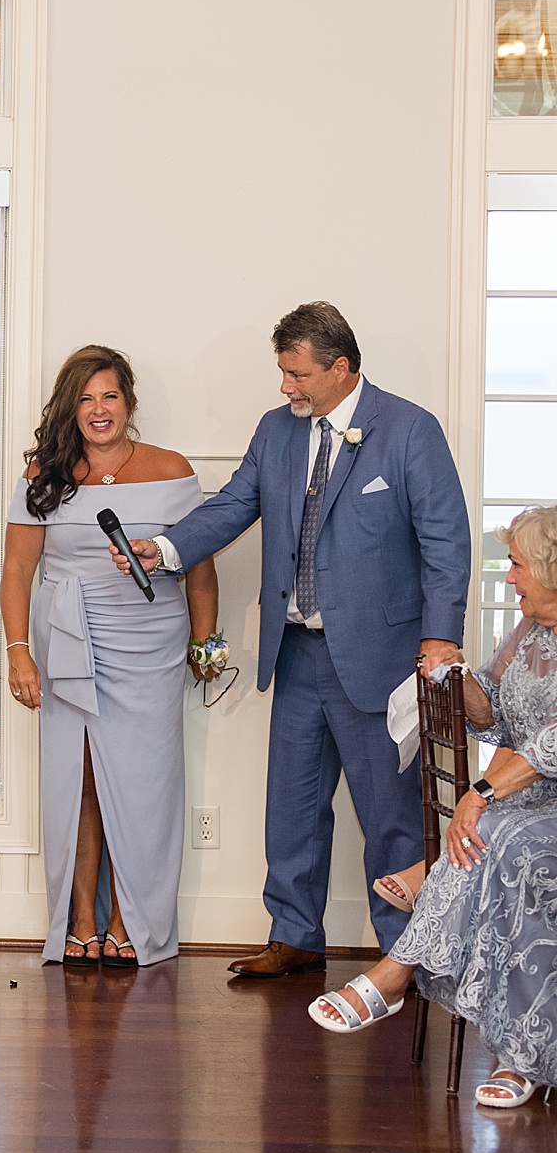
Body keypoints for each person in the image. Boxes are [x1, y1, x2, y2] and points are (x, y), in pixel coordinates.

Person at [114, 302, 471, 976]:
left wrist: (437, 640)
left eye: (297, 374)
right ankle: (296, 937)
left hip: (382, 660)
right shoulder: (277, 432)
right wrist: (164, 548)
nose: (287, 387)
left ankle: (407, 957)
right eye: (284, 373)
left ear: (341, 368)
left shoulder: (409, 431)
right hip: (299, 651)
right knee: (294, 808)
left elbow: (446, 543)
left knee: (391, 817)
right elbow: (231, 505)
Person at [307, 505, 557, 1109]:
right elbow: (489, 712)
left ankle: (396, 973)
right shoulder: (528, 632)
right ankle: (523, 1056)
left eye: (519, 566)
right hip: (527, 799)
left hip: (526, 798)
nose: (511, 578)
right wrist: (456, 674)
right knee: (494, 843)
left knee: (495, 838)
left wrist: (481, 794)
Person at [2, 345, 220, 968]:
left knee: (145, 785)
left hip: (152, 641)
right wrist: (20, 654)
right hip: (67, 640)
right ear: (71, 408)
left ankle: (130, 922)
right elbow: (17, 571)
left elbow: (200, 564)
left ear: (129, 402)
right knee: (83, 783)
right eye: (86, 399)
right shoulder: (44, 476)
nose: (99, 410)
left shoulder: (171, 470)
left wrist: (205, 639)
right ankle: (78, 920)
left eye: (110, 396)